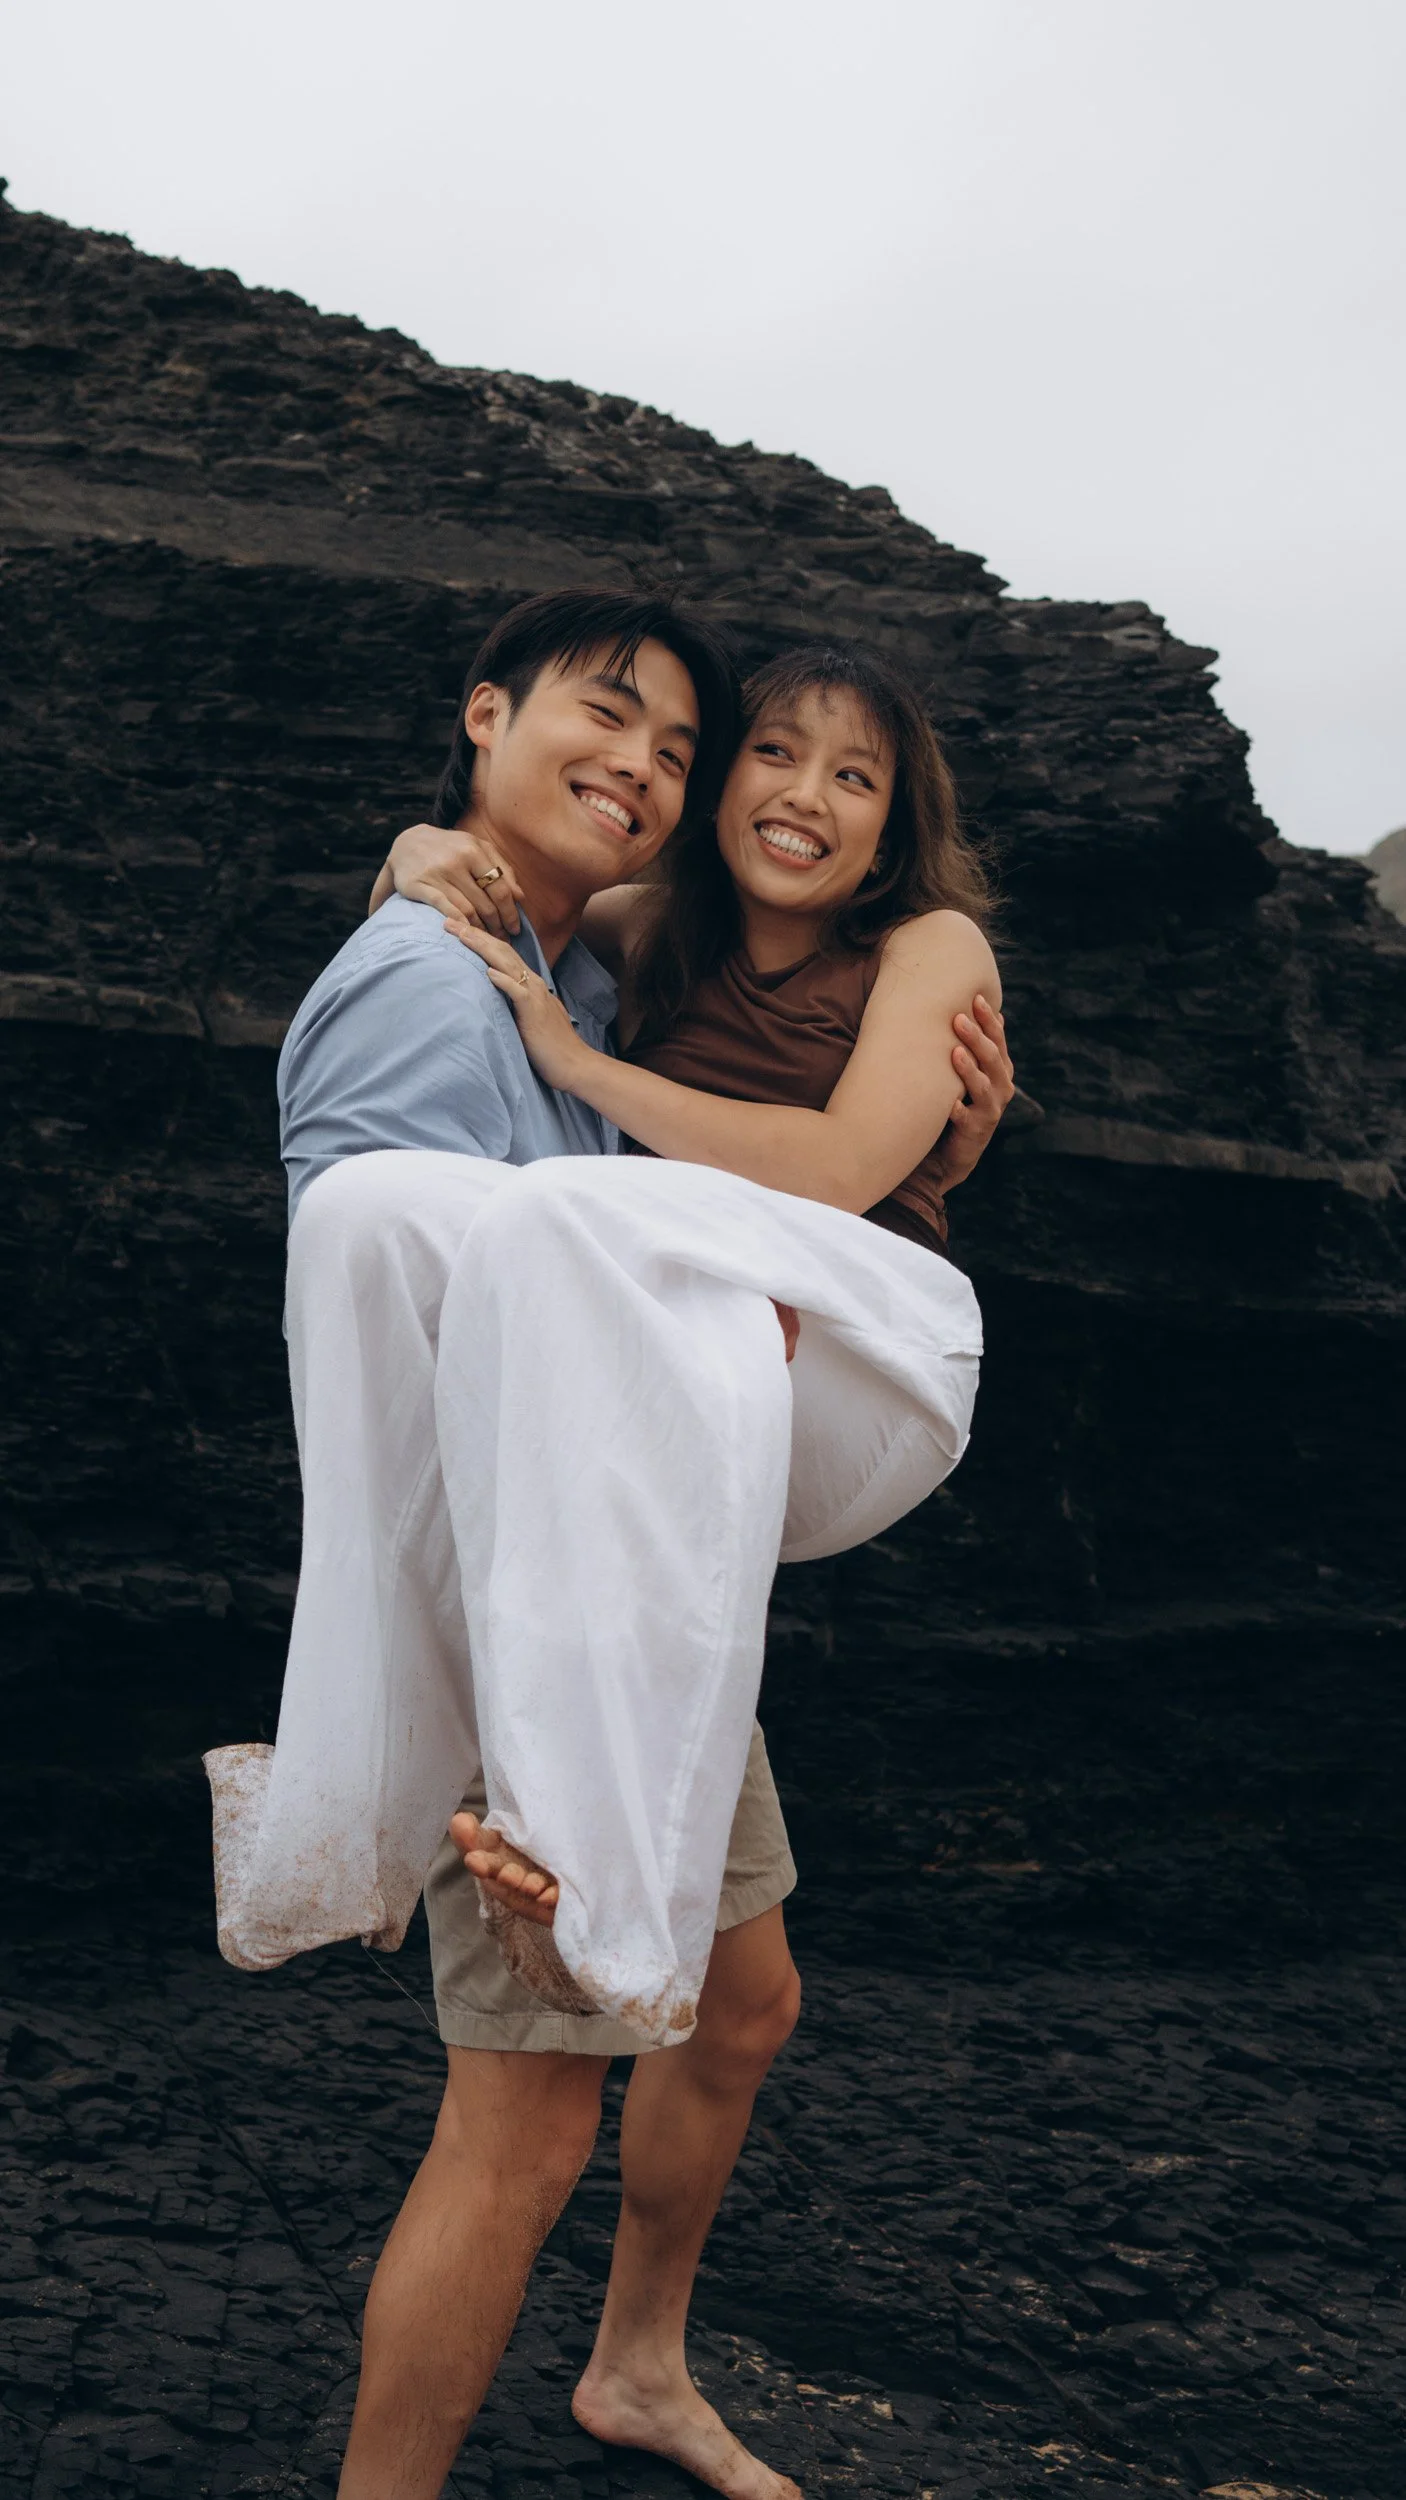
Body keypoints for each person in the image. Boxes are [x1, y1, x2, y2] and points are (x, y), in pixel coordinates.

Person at [205, 590, 1013, 2500]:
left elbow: (723, 1181)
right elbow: (401, 1292)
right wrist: (433, 875)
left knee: (742, 2008)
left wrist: (465, 882)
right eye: (627, 729)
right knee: (526, 2118)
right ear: (486, 715)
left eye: (677, 744)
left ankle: (634, 2366)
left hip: (640, 1548)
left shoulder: (573, 973)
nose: (659, 773)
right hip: (537, 1595)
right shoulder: (453, 975)